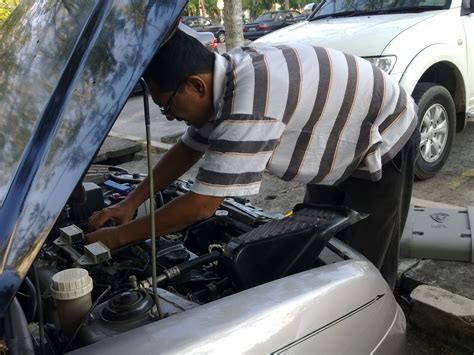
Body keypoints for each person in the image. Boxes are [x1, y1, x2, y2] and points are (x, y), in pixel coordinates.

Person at [87, 29, 419, 290]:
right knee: (320, 237)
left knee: (367, 257)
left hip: (383, 133)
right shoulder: (225, 78)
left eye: (168, 106)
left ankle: (375, 320)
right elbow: (188, 149)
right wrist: (129, 203)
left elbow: (202, 206)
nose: (170, 117)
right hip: (340, 134)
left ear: (195, 85)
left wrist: (119, 237)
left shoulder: (249, 102)